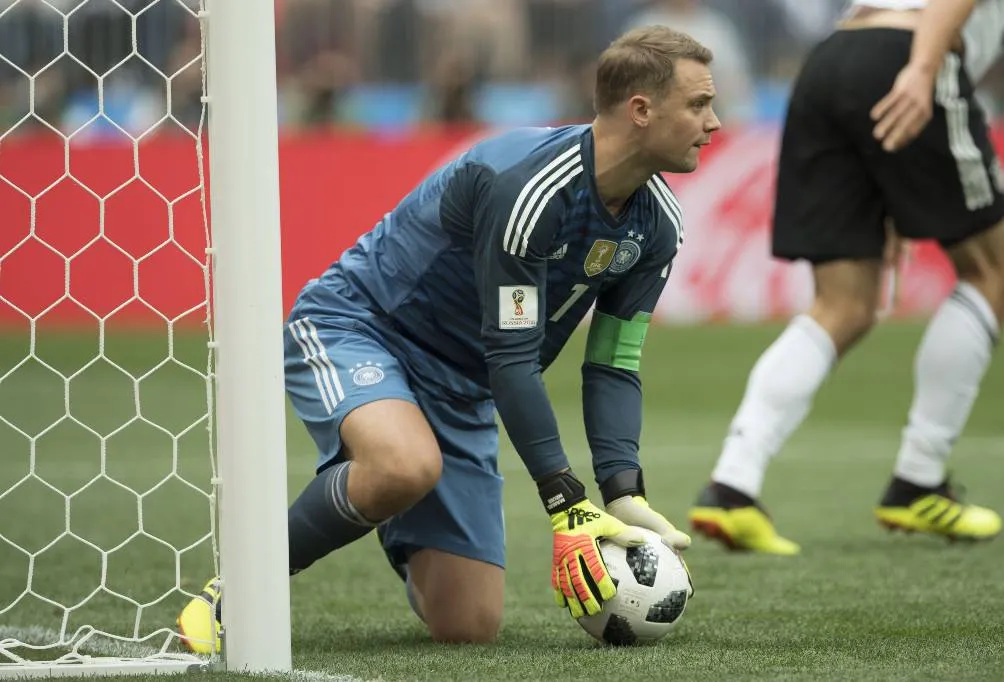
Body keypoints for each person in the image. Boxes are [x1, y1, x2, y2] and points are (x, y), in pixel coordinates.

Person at [177, 25, 719, 651]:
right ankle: (238, 589)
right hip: (362, 327)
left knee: (467, 626)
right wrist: (565, 500)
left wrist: (623, 491)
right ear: (642, 110)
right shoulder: (529, 187)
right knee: (404, 464)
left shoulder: (658, 224)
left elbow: (613, 364)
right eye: (699, 104)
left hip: (463, 386)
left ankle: (388, 498)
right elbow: (512, 357)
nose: (715, 121)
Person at [689, 0, 1004, 556]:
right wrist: (924, 67)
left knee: (844, 305)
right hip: (906, 55)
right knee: (993, 271)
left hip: (832, 61)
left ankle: (731, 485)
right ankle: (919, 478)